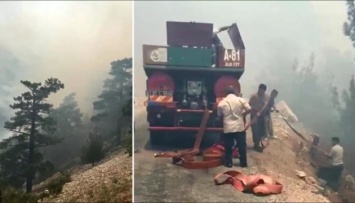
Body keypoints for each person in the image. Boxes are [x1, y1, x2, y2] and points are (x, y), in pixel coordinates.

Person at [217, 86, 253, 168]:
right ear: (234, 92)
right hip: (239, 127)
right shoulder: (241, 100)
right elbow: (249, 109)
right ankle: (243, 163)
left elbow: (219, 115)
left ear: (226, 93)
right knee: (241, 146)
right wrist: (243, 114)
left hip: (228, 128)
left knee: (228, 146)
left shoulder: (222, 103)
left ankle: (229, 163)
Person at [249, 84, 269, 152]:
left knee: (262, 130)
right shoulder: (254, 96)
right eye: (259, 90)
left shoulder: (266, 96)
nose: (260, 92)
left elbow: (265, 104)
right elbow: (249, 104)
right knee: (255, 130)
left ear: (264, 91)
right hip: (254, 114)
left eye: (262, 91)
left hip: (262, 115)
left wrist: (260, 112)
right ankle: (256, 144)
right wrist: (255, 112)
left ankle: (260, 142)